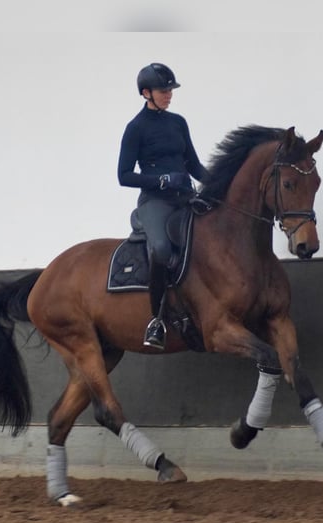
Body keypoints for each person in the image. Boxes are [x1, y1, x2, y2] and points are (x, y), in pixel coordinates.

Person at [117, 62, 210, 350]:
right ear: (146, 93)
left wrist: (219, 186)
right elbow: (123, 175)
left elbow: (193, 164)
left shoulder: (178, 123)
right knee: (160, 249)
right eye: (163, 90)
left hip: (184, 197)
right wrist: (160, 180)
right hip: (155, 201)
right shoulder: (135, 128)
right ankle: (156, 320)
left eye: (170, 90)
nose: (169, 94)